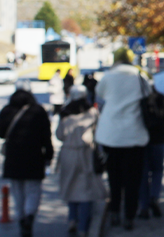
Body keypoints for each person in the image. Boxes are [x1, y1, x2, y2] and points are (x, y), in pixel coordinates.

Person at [95, 47, 150, 230]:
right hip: (135, 134)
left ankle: (115, 213)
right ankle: (129, 216)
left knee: (114, 178)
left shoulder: (108, 77)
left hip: (111, 136)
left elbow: (100, 94)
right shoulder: (140, 77)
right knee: (133, 180)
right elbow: (148, 96)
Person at [0, 79, 54, 237]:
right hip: (34, 157)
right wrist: (49, 155)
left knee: (17, 191)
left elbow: (0, 132)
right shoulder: (38, 110)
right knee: (33, 190)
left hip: (13, 157)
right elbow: (46, 137)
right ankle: (29, 216)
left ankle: (21, 218)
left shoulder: (7, 110)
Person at [56, 85, 107, 237]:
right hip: (87, 153)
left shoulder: (64, 113)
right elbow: (99, 133)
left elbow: (60, 135)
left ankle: (72, 219)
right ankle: (83, 227)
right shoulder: (92, 112)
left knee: (71, 186)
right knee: (86, 190)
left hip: (69, 153)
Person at [138, 87, 164, 219]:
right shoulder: (160, 97)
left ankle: (144, 206)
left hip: (142, 139)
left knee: (143, 173)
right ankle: (154, 197)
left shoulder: (139, 99)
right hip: (158, 138)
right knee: (157, 170)